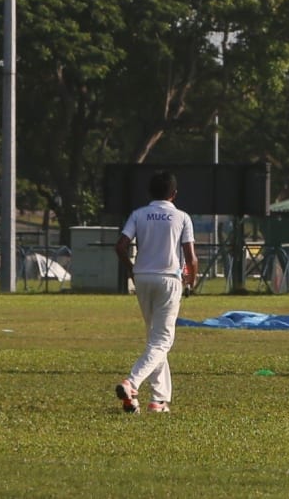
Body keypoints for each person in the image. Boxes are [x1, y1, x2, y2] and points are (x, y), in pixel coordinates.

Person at [114, 171, 198, 413]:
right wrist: (190, 281)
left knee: (155, 338)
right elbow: (191, 258)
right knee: (162, 340)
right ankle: (132, 383)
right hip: (169, 279)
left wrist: (131, 270)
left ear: (150, 193)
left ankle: (158, 400)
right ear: (174, 194)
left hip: (142, 278)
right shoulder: (182, 217)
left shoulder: (139, 214)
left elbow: (120, 246)